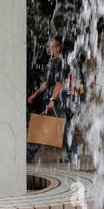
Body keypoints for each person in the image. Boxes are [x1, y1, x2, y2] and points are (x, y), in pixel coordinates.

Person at [26, 37, 79, 165]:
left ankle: (28, 154)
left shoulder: (60, 62)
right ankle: (73, 155)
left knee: (42, 128)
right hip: (52, 101)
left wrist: (52, 99)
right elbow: (47, 84)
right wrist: (34, 94)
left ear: (58, 48)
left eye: (51, 46)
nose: (47, 49)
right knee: (65, 129)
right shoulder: (53, 63)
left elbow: (59, 83)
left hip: (55, 102)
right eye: (46, 47)